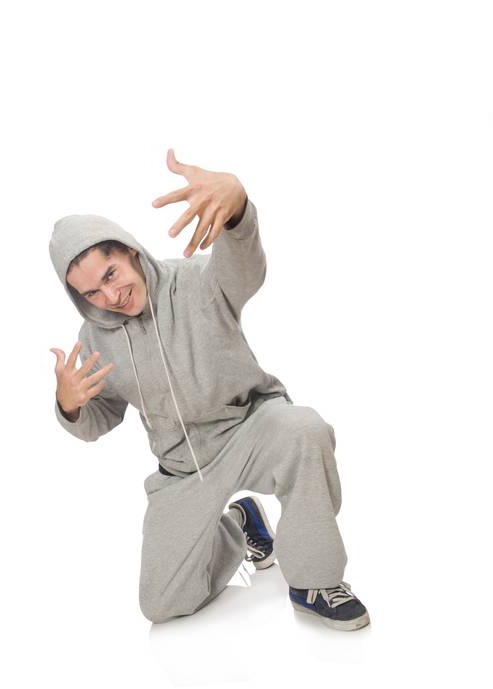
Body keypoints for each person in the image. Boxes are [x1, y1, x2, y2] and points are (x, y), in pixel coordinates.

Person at [48, 152, 370, 630]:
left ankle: (314, 581)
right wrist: (70, 407)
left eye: (110, 275)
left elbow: (244, 266)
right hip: (182, 469)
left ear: (130, 252)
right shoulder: (95, 339)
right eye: (92, 293)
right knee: (161, 605)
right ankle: (241, 527)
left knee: (304, 429)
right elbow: (103, 416)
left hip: (251, 429)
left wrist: (238, 208)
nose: (110, 296)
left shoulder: (197, 282)